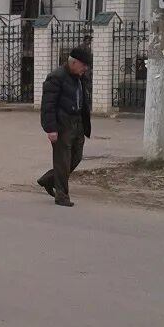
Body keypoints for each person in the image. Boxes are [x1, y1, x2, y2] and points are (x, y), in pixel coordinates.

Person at [38, 45, 93, 208]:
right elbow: (48, 105)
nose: (85, 68)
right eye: (83, 65)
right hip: (62, 124)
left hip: (78, 123)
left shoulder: (80, 77)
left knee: (76, 157)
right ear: (74, 62)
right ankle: (61, 196)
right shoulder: (56, 77)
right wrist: (51, 129)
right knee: (62, 160)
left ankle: (49, 179)